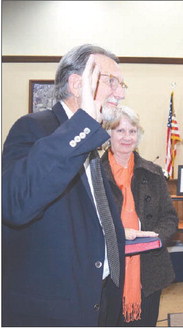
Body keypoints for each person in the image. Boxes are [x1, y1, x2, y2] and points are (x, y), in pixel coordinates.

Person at [2, 44, 128, 326]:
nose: (120, 94)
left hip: (99, 297)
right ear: (76, 84)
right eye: (112, 82)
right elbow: (15, 203)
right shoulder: (33, 128)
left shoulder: (92, 139)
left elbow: (86, 211)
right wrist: (82, 125)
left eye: (122, 85)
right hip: (53, 309)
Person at [101, 105, 179, 326]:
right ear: (109, 134)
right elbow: (86, 223)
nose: (127, 137)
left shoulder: (153, 173)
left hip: (149, 268)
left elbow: (170, 218)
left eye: (132, 131)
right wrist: (117, 234)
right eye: (120, 131)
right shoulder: (94, 174)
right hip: (109, 269)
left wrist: (154, 238)